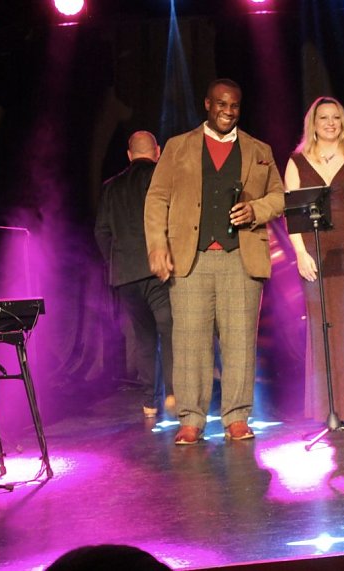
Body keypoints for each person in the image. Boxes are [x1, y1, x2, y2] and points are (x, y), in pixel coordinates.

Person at [144, 78, 285, 444]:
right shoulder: (179, 147)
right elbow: (157, 198)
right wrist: (157, 246)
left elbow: (279, 196)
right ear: (208, 104)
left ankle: (237, 417)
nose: (228, 111)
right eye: (221, 104)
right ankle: (191, 419)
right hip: (191, 258)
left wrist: (256, 209)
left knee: (239, 341)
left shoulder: (258, 149)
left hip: (241, 258)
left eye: (234, 105)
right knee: (190, 341)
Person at [284, 96, 344, 423]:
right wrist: (299, 253)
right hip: (316, 250)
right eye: (324, 118)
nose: (330, 123)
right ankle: (329, 407)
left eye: (336, 118)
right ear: (312, 123)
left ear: (343, 122)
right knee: (324, 326)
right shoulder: (297, 161)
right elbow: (292, 212)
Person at [95, 130, 174, 418]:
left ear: (129, 155)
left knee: (143, 337)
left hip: (125, 275)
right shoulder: (161, 178)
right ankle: (174, 395)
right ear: (158, 151)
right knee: (169, 330)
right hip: (158, 270)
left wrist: (115, 263)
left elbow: (101, 232)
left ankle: (150, 402)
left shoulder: (110, 187)